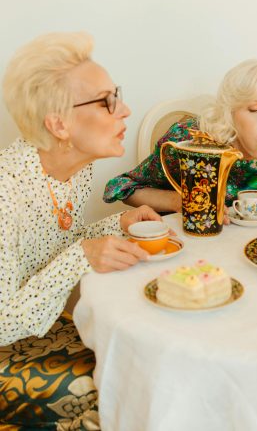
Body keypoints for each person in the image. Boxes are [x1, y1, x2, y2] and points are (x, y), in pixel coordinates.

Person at [0, 32, 162, 429]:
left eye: (117, 94)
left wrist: (117, 223)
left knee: (148, 355)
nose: (124, 110)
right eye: (107, 101)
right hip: (8, 347)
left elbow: (48, 248)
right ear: (59, 124)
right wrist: (82, 256)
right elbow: (3, 322)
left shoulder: (75, 168)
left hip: (45, 324)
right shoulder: (6, 192)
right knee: (130, 380)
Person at [104, 59, 257, 218]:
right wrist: (183, 201)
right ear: (230, 113)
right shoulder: (188, 142)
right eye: (255, 109)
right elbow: (124, 188)